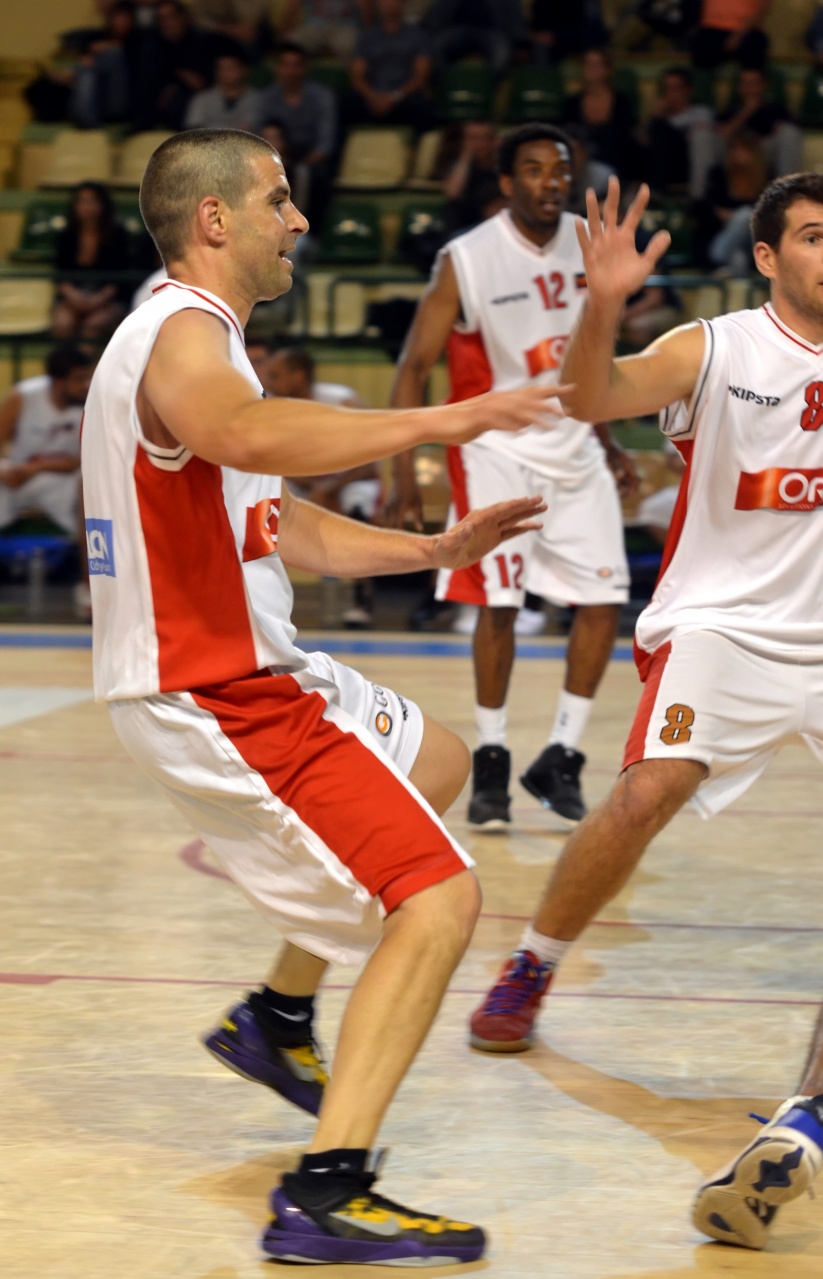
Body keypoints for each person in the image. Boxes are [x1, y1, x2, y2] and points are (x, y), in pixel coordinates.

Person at [81, 126, 565, 1265]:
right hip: (215, 687)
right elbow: (243, 432)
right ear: (215, 220)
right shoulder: (182, 331)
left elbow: (279, 522)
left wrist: (433, 548)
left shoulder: (204, 343)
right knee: (439, 901)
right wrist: (442, 418)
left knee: (437, 761)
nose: (298, 219)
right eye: (279, 199)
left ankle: (278, 1015)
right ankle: (327, 1191)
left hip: (260, 663)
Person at [468, 169, 823, 1250]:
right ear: (766, 256)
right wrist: (603, 301)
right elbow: (587, 398)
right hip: (721, 626)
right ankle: (532, 961)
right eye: (814, 235)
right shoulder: (714, 349)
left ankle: (806, 1113)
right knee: (641, 794)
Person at [387, 123, 636, 831]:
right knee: (497, 604)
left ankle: (562, 754)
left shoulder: (589, 244)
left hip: (575, 442)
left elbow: (591, 355)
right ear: (505, 182)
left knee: (604, 598)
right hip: (497, 447)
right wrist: (403, 472)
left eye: (559, 169)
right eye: (532, 169)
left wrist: (609, 438)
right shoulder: (465, 258)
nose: (550, 181)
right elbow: (413, 366)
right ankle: (492, 758)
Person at [264, 344, 380, 627]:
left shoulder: (341, 401)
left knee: (358, 507)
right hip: (301, 482)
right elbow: (268, 458)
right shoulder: (270, 407)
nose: (269, 382)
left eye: (276, 375)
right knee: (260, 506)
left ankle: (360, 599)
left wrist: (331, 487)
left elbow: (372, 456)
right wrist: (307, 482)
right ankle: (264, 600)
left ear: (298, 376)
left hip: (350, 480)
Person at [0, 342, 92, 538]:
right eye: (79, 379)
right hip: (18, 478)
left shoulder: (91, 402)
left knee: (87, 483)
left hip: (66, 481)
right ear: (58, 381)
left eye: (87, 378)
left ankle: (86, 555)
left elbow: (89, 460)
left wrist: (38, 467)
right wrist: (4, 468)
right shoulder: (23, 396)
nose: (85, 385)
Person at [258, 44, 338, 226]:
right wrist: (278, 160)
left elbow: (325, 143)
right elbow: (260, 134)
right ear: (278, 68)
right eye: (285, 65)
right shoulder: (266, 98)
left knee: (313, 176)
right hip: (276, 154)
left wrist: (299, 164)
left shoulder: (322, 97)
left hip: (312, 158)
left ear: (305, 68)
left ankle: (311, 230)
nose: (290, 71)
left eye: (296, 65)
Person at [52, 183, 132, 341]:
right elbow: (60, 275)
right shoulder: (66, 236)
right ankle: (65, 357)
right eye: (81, 201)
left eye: (92, 201)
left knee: (93, 325)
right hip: (73, 297)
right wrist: (74, 297)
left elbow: (119, 278)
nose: (86, 207)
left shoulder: (118, 236)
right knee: (63, 323)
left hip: (108, 298)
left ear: (103, 205)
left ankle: (86, 357)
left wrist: (97, 300)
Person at [347, 0, 436, 134]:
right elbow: (357, 75)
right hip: (372, 96)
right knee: (346, 103)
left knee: (423, 106)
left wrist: (394, 97)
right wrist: (372, 96)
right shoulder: (367, 36)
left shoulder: (419, 35)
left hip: (404, 97)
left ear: (404, 4)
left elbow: (421, 76)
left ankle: (417, 146)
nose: (391, 3)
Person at [716, 66, 803, 181]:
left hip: (765, 151)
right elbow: (723, 134)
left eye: (753, 83)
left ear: (763, 85)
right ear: (739, 86)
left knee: (789, 133)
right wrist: (746, 111)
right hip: (736, 150)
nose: (749, 88)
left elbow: (788, 132)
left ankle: (786, 185)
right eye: (745, 83)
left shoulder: (775, 108)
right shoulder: (731, 109)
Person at [646, 65, 716, 201]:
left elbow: (702, 140)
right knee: (657, 128)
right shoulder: (660, 119)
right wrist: (655, 116)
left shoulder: (701, 112)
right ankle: (656, 192)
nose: (671, 93)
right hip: (663, 163)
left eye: (676, 88)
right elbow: (643, 142)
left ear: (688, 89)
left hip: (689, 161)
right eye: (667, 88)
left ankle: (697, 199)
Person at [184, 48, 263, 131]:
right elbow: (193, 128)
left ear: (244, 70)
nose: (226, 73)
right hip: (208, 139)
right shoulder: (202, 99)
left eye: (231, 68)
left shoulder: (257, 98)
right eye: (221, 68)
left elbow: (252, 126)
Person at [691, 0, 771, 70]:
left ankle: (751, 78)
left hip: (747, 31)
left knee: (753, 49)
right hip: (711, 29)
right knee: (702, 51)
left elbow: (760, 12)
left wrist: (738, 36)